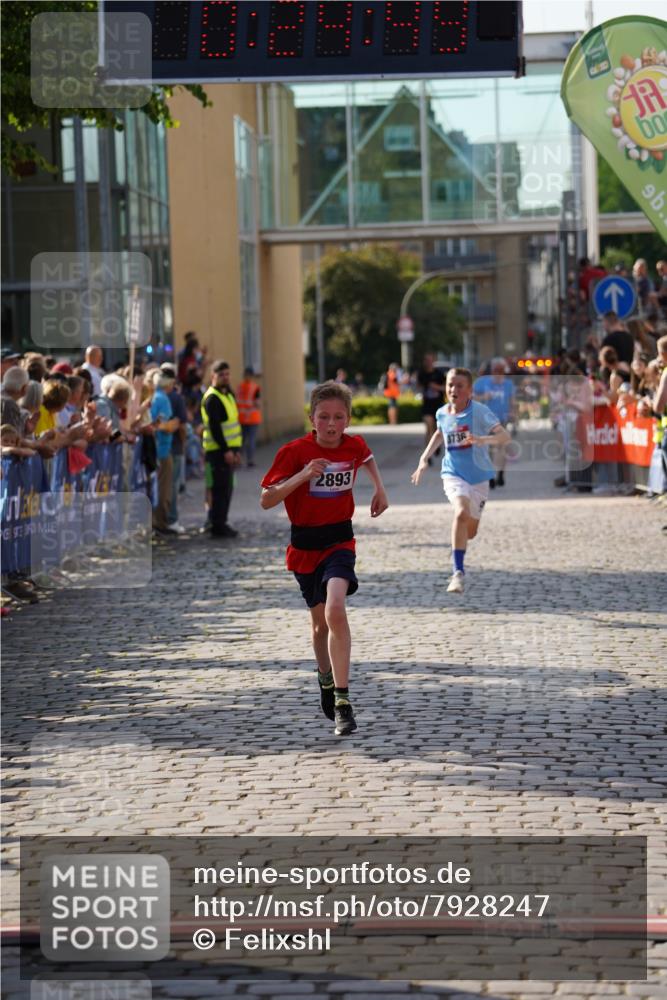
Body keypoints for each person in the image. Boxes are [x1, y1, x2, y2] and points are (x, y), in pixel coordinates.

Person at [260, 381, 388, 736]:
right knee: (319, 626)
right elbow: (266, 500)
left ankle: (344, 701)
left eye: (339, 417)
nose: (332, 424)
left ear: (347, 420)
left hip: (340, 541)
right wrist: (303, 476)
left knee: (335, 609)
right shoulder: (294, 451)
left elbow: (365, 457)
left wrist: (380, 487)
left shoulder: (353, 443)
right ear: (311, 418)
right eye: (324, 417)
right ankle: (326, 679)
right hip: (304, 547)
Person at [411, 368, 511, 595]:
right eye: (450, 385)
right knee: (459, 512)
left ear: (470, 390)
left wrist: (482, 439)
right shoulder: (442, 413)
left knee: (471, 531)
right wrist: (424, 458)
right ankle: (458, 573)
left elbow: (505, 436)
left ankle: (459, 546)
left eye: (459, 385)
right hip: (453, 474)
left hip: (479, 478)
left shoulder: (479, 412)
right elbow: (439, 433)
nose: (453, 390)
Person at [201, 360, 242, 538]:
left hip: (229, 450)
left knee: (227, 488)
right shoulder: (212, 398)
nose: (225, 377)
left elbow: (233, 425)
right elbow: (216, 428)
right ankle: (217, 525)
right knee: (219, 489)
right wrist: (226, 450)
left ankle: (222, 521)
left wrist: (237, 450)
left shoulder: (228, 394)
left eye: (227, 374)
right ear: (213, 376)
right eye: (221, 375)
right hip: (218, 451)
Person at [473, 358, 516, 487]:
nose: (498, 373)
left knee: (501, 447)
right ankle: (490, 475)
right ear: (491, 370)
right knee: (489, 448)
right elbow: (470, 397)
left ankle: (501, 473)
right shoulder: (482, 382)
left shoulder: (508, 384)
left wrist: (513, 413)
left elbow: (512, 401)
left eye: (501, 370)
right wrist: (483, 397)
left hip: (502, 420)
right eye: (496, 370)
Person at [149, 369, 181, 536]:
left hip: (158, 448)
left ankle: (158, 522)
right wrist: (172, 425)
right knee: (164, 489)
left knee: (160, 487)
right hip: (162, 449)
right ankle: (160, 522)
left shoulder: (156, 397)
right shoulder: (163, 399)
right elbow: (160, 424)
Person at [160, 362, 187, 533]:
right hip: (174, 446)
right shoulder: (175, 397)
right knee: (172, 485)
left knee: (163, 485)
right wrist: (183, 444)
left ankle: (163, 519)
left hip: (160, 447)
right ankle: (171, 518)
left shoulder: (156, 395)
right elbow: (183, 425)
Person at [416, 353, 446, 462]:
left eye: (430, 360)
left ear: (433, 361)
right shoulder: (421, 374)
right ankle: (427, 454)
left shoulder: (439, 374)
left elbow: (446, 388)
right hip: (427, 404)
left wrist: (436, 387)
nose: (428, 362)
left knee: (436, 428)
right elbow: (418, 387)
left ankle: (436, 445)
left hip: (438, 405)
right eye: (426, 360)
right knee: (428, 427)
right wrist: (421, 389)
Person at [236, 366, 262, 468]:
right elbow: (257, 403)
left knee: (241, 440)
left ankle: (238, 460)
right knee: (251, 440)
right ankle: (250, 461)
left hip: (241, 417)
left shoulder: (239, 387)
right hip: (252, 417)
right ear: (252, 376)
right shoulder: (255, 387)